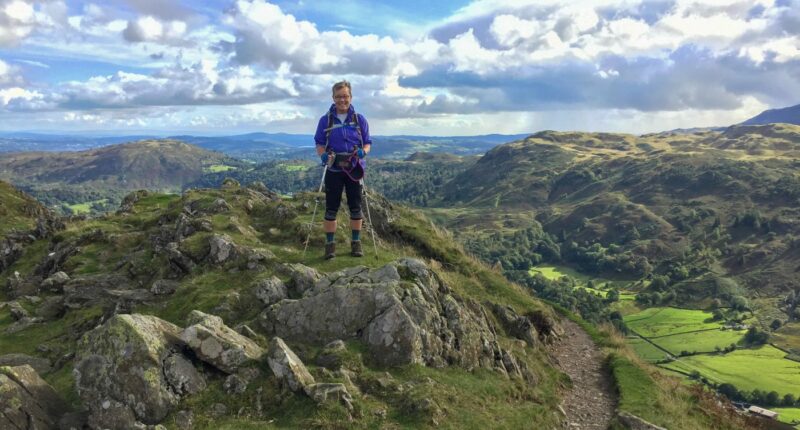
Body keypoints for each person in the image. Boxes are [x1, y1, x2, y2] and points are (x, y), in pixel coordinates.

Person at [314, 80, 372, 259]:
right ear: (333, 98)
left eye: (345, 96)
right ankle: (330, 246)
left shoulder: (359, 119)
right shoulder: (326, 120)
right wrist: (323, 155)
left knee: (356, 208)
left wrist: (363, 152)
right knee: (331, 209)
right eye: (338, 97)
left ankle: (356, 243)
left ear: (351, 97)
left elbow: (368, 142)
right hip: (334, 169)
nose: (342, 100)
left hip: (354, 168)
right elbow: (319, 142)